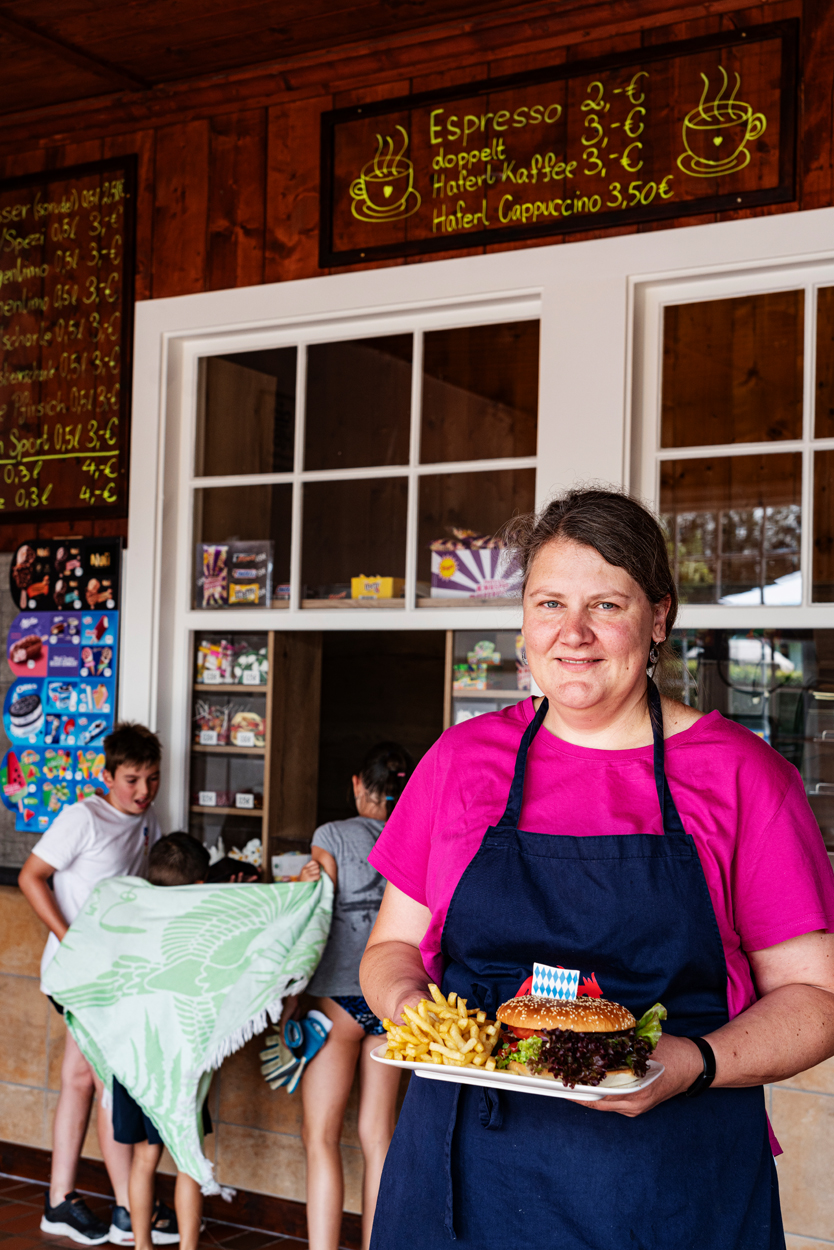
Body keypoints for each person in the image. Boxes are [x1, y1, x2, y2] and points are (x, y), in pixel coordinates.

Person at [360, 487, 834, 1250]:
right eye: (549, 604)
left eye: (606, 606)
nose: (572, 634)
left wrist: (694, 1062)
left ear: (659, 617)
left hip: (666, 1181)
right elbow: (391, 947)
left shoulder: (743, 777)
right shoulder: (460, 761)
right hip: (459, 1173)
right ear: (524, 618)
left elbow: (816, 999)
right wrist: (416, 1013)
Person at [19, 723, 164, 1246]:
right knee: (108, 1083)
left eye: (152, 778)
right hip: (77, 973)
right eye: (132, 780)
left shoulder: (147, 819)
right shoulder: (82, 817)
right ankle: (128, 1210)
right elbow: (30, 876)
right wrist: (72, 939)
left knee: (80, 1079)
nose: (143, 791)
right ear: (108, 777)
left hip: (112, 972)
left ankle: (61, 1201)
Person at [300, 743, 414, 1250]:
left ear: (357, 783)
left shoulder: (330, 835)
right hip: (390, 1000)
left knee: (320, 1137)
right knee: (378, 1136)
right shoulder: (411, 836)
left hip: (338, 998)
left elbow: (313, 916)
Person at [113, 834, 211, 1250]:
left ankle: (141, 1245)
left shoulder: (128, 921)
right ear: (201, 885)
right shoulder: (197, 932)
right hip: (178, 1061)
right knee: (188, 1162)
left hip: (130, 1058)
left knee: (143, 1158)